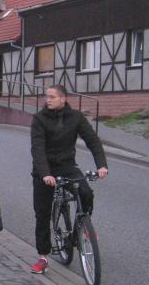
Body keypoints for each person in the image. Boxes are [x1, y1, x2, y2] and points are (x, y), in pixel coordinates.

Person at [29, 84, 108, 274]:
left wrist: (101, 165)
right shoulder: (39, 119)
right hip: (44, 170)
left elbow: (92, 140)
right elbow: (37, 149)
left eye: (52, 97)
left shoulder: (76, 117)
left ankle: (82, 227)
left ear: (63, 99)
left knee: (86, 192)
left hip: (66, 166)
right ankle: (43, 257)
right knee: (42, 213)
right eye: (47, 97)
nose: (48, 100)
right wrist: (45, 174)